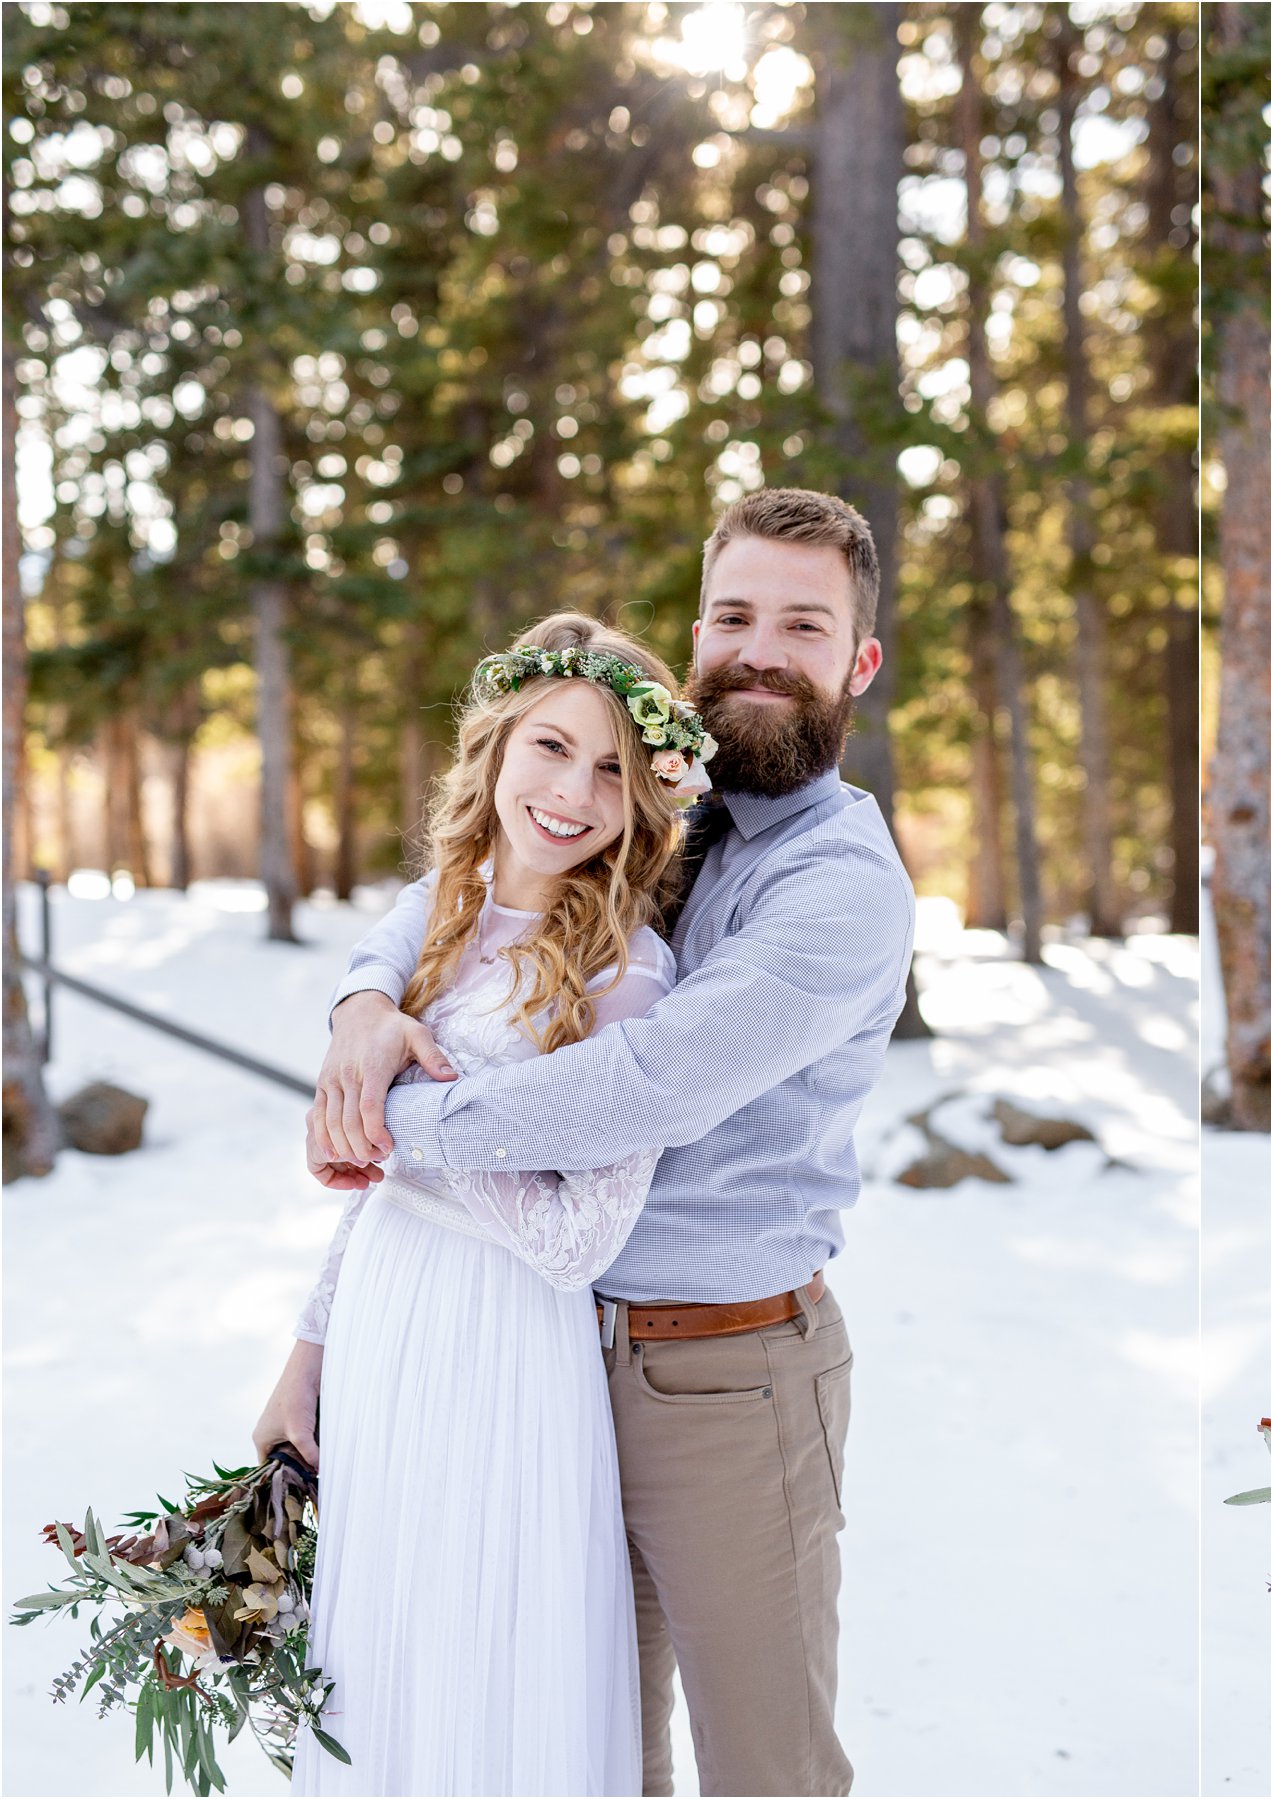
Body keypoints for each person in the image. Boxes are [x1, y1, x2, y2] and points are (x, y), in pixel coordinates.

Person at [257, 489, 916, 1797]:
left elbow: (645, 1083)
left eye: (804, 622)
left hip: (723, 1375)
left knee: (764, 1764)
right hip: (536, 1360)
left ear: (857, 660)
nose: (761, 648)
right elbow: (464, 889)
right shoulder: (654, 809)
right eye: (734, 614)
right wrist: (365, 1001)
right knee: (579, 1744)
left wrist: (392, 1117)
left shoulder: (837, 878)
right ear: (695, 636)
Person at [261, 613, 702, 1793]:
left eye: (612, 766)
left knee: (490, 1649)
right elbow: (369, 1200)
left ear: (647, 796)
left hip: (509, 1347)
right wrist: (306, 1354)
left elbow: (578, 1237)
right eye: (550, 747)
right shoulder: (433, 921)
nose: (573, 790)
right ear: (495, 749)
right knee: (381, 1652)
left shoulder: (629, 974)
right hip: (387, 1332)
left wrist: (409, 1128)